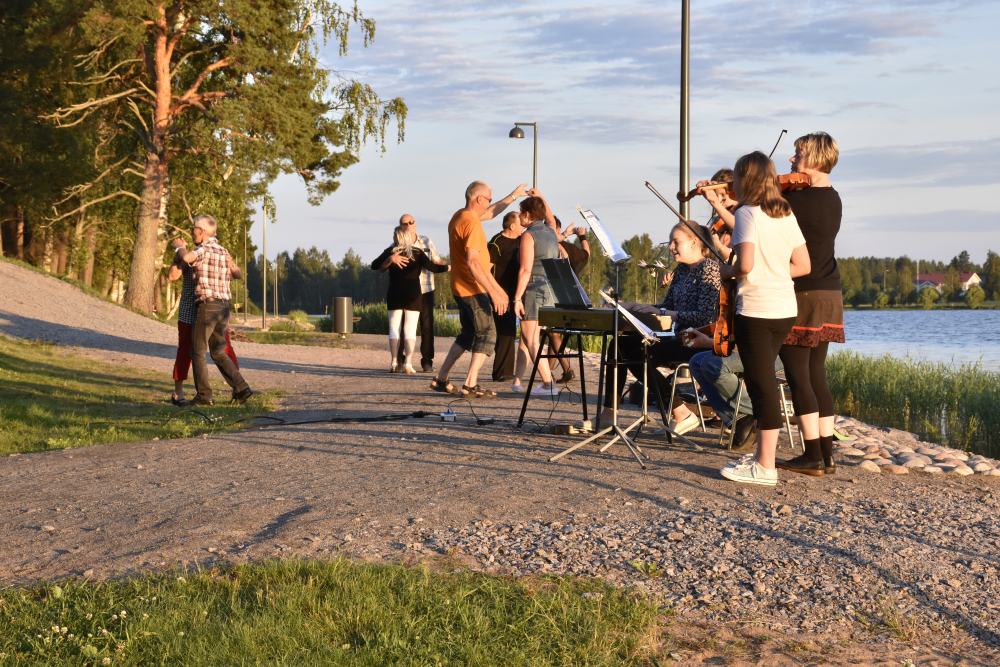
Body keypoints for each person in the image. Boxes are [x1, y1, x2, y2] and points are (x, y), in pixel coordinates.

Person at [719, 152, 810, 486]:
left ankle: (766, 468)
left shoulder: (746, 212)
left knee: (762, 387)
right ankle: (762, 458)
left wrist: (725, 271)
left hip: (756, 310)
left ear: (746, 180)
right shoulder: (785, 212)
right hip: (784, 309)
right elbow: (804, 266)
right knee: (765, 382)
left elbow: (744, 266)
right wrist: (773, 272)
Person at [596, 222, 721, 434]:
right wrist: (634, 306)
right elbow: (668, 307)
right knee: (620, 344)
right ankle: (609, 413)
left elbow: (704, 316)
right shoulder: (681, 270)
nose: (671, 247)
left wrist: (662, 312)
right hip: (681, 337)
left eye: (676, 242)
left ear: (694, 243)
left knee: (639, 355)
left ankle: (681, 411)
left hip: (699, 339)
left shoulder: (709, 269)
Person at [775, 132, 845, 477]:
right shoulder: (834, 199)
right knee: (817, 374)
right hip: (829, 292)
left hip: (801, 292)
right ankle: (827, 455)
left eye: (798, 154)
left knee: (798, 375)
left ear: (815, 159)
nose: (792, 160)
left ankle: (811, 457)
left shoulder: (796, 203)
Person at [430, 180, 528, 398]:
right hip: (472, 288)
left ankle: (441, 378)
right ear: (479, 199)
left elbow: (492, 212)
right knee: (488, 333)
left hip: (459, 286)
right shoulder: (472, 224)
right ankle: (470, 385)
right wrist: (494, 291)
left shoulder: (461, 216)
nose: (489, 205)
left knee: (468, 334)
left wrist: (514, 195)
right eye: (488, 200)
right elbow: (473, 262)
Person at [178, 215, 253, 406]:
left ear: (201, 231)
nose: (192, 231)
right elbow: (237, 274)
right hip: (223, 307)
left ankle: (204, 396)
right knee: (218, 351)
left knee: (198, 352)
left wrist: (178, 247)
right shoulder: (222, 250)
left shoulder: (202, 249)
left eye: (194, 228)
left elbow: (187, 258)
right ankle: (241, 387)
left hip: (207, 306)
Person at [167, 237, 241, 406]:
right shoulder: (192, 255)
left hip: (211, 308)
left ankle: (238, 388)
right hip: (189, 310)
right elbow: (172, 275)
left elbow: (237, 274)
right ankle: (178, 392)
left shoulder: (217, 256)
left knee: (224, 347)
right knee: (186, 350)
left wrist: (231, 262)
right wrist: (178, 253)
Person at [371, 226, 450, 374]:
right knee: (410, 330)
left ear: (397, 237)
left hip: (395, 294)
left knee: (394, 329)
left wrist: (390, 259)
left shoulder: (391, 252)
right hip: (413, 294)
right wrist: (450, 267)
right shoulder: (417, 252)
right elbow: (433, 267)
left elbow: (374, 265)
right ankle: (408, 364)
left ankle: (394, 362)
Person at [512, 193, 562, 395]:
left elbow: (525, 269)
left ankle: (549, 384)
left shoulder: (528, 235)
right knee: (535, 337)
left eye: (521, 214)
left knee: (530, 338)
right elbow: (550, 218)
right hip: (551, 290)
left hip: (534, 288)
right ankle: (547, 383)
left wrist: (516, 298)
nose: (519, 218)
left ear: (526, 214)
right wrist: (541, 198)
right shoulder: (551, 232)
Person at [545, 217, 591, 384]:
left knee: (553, 332)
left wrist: (564, 234)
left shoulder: (549, 246)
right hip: (572, 294)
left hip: (556, 293)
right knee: (554, 334)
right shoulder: (568, 248)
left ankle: (567, 369)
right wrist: (582, 236)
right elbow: (587, 254)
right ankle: (548, 374)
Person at [488, 211, 525, 382]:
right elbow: (486, 269)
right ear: (511, 226)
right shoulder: (496, 243)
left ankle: (505, 371)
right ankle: (501, 372)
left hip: (514, 294)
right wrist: (494, 293)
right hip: (498, 294)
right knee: (506, 330)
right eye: (520, 223)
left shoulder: (520, 241)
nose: (523, 226)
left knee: (510, 331)